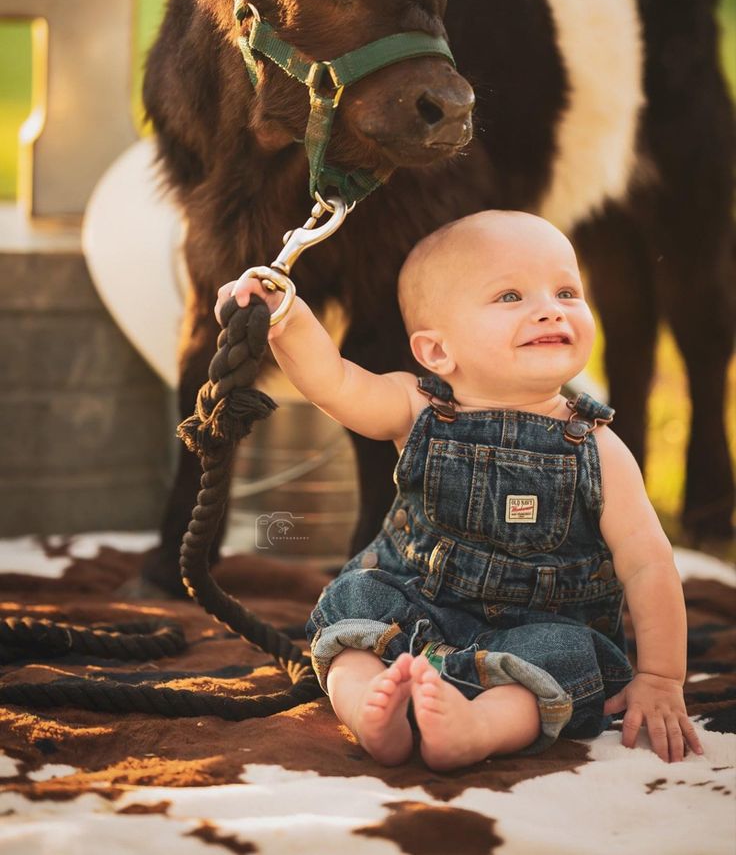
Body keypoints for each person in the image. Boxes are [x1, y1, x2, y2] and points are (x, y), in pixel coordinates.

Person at [216, 210, 703, 771]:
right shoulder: (416, 407)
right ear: (437, 352)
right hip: (417, 607)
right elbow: (335, 381)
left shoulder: (597, 448)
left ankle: (479, 728)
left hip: (536, 630)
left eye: (567, 291)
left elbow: (648, 563)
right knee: (353, 604)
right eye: (510, 296)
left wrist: (661, 677)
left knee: (570, 656)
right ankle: (371, 711)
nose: (550, 307)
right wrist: (287, 317)